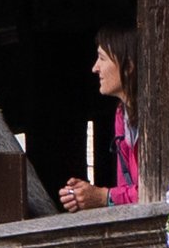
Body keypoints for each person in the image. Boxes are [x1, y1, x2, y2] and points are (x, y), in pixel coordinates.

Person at [59, 28, 145, 211]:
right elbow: (127, 189)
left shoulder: (154, 118)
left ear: (128, 66)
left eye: (102, 58)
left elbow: (156, 192)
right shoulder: (122, 115)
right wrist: (86, 195)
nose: (95, 68)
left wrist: (104, 197)